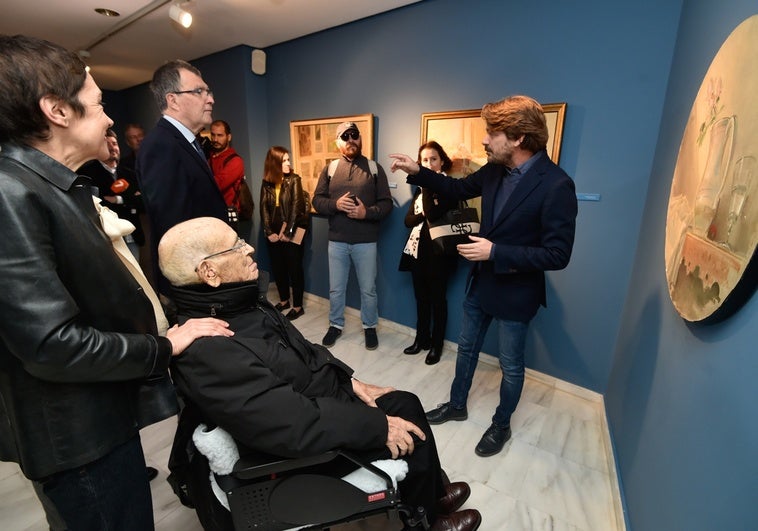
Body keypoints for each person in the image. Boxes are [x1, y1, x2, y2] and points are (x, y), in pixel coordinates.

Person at [0, 34, 234, 530]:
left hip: (101, 418)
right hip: (77, 439)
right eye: (99, 103)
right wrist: (163, 347)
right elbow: (51, 345)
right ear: (57, 111)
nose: (109, 118)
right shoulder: (11, 195)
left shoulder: (54, 186)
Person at [158, 217, 482, 531]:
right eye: (236, 246)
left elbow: (303, 349)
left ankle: (431, 496)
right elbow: (290, 424)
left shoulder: (243, 304)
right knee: (406, 413)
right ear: (209, 272)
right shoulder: (209, 349)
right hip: (301, 448)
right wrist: (377, 426)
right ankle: (426, 519)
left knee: (404, 402)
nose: (249, 250)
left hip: (318, 407)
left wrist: (349, 381)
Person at [390, 95, 578, 457]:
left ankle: (501, 424)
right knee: (466, 350)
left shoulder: (556, 184)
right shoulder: (494, 170)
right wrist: (418, 171)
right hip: (482, 283)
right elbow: (458, 188)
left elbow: (558, 254)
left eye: (493, 132)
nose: (485, 139)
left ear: (519, 138)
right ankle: (457, 404)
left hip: (516, 291)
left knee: (510, 365)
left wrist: (496, 252)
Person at [136, 59, 228, 296]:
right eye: (199, 91)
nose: (210, 99)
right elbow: (173, 227)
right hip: (192, 281)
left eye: (208, 91)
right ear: (172, 100)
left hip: (206, 271)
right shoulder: (161, 145)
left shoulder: (186, 142)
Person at [312, 122, 392, 350]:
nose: (350, 140)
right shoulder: (330, 169)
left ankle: (369, 327)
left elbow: (387, 205)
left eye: (354, 135)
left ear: (360, 138)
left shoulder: (374, 169)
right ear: (338, 142)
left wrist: (366, 212)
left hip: (366, 242)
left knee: (369, 289)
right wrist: (335, 204)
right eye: (345, 136)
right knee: (336, 289)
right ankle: (335, 325)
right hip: (336, 241)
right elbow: (316, 201)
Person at [399, 141, 459, 365]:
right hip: (417, 253)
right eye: (424, 160)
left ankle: (436, 345)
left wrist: (426, 186)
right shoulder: (420, 189)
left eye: (433, 159)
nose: (429, 163)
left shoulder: (448, 186)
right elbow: (407, 221)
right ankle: (421, 339)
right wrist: (422, 207)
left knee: (438, 301)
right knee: (421, 299)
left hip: (439, 256)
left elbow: (432, 214)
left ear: (441, 160)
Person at [78, 128, 146, 259]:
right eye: (107, 145)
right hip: (107, 240)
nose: (112, 148)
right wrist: (130, 199)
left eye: (114, 144)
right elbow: (96, 204)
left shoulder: (130, 172)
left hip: (132, 236)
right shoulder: (87, 174)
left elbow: (143, 202)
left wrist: (119, 200)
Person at [260, 146, 309, 320]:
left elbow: (296, 206)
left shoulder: (294, 179)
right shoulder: (267, 183)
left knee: (294, 268)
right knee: (278, 267)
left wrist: (287, 232)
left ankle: (297, 306)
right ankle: (284, 300)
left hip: (294, 229)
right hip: (274, 232)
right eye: (284, 160)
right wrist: (268, 232)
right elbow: (264, 209)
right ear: (274, 163)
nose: (288, 163)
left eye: (289, 159)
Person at [208, 119, 251, 237]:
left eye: (220, 135)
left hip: (227, 217)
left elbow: (217, 185)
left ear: (229, 137)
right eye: (213, 135)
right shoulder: (209, 158)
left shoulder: (236, 161)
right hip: (210, 217)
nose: (215, 139)